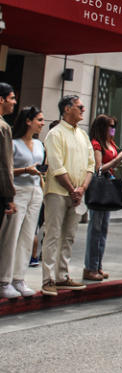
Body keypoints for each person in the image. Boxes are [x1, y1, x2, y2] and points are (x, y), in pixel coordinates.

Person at [40, 95, 95, 296]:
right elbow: (56, 165)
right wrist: (73, 189)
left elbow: (91, 165)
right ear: (67, 109)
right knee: (53, 234)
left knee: (69, 235)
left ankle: (62, 275)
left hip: (77, 193)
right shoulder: (55, 134)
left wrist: (82, 189)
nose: (83, 109)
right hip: (57, 191)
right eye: (79, 106)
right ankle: (48, 278)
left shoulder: (82, 135)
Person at [0, 106, 44, 298]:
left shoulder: (40, 144)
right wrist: (26, 169)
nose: (42, 123)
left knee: (27, 236)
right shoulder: (14, 143)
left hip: (36, 191)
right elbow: (7, 169)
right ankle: (4, 280)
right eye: (39, 120)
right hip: (18, 191)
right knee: (12, 237)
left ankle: (19, 278)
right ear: (28, 121)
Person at [83, 114, 122, 282]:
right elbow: (98, 169)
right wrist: (117, 159)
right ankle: (90, 266)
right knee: (95, 228)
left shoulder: (110, 143)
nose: (113, 129)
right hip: (99, 186)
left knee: (103, 229)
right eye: (110, 126)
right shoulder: (96, 144)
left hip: (108, 185)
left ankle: (98, 265)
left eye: (114, 126)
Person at [0, 83, 16, 241]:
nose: (14, 102)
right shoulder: (3, 127)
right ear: (1, 100)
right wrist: (9, 197)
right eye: (11, 98)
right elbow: (5, 165)